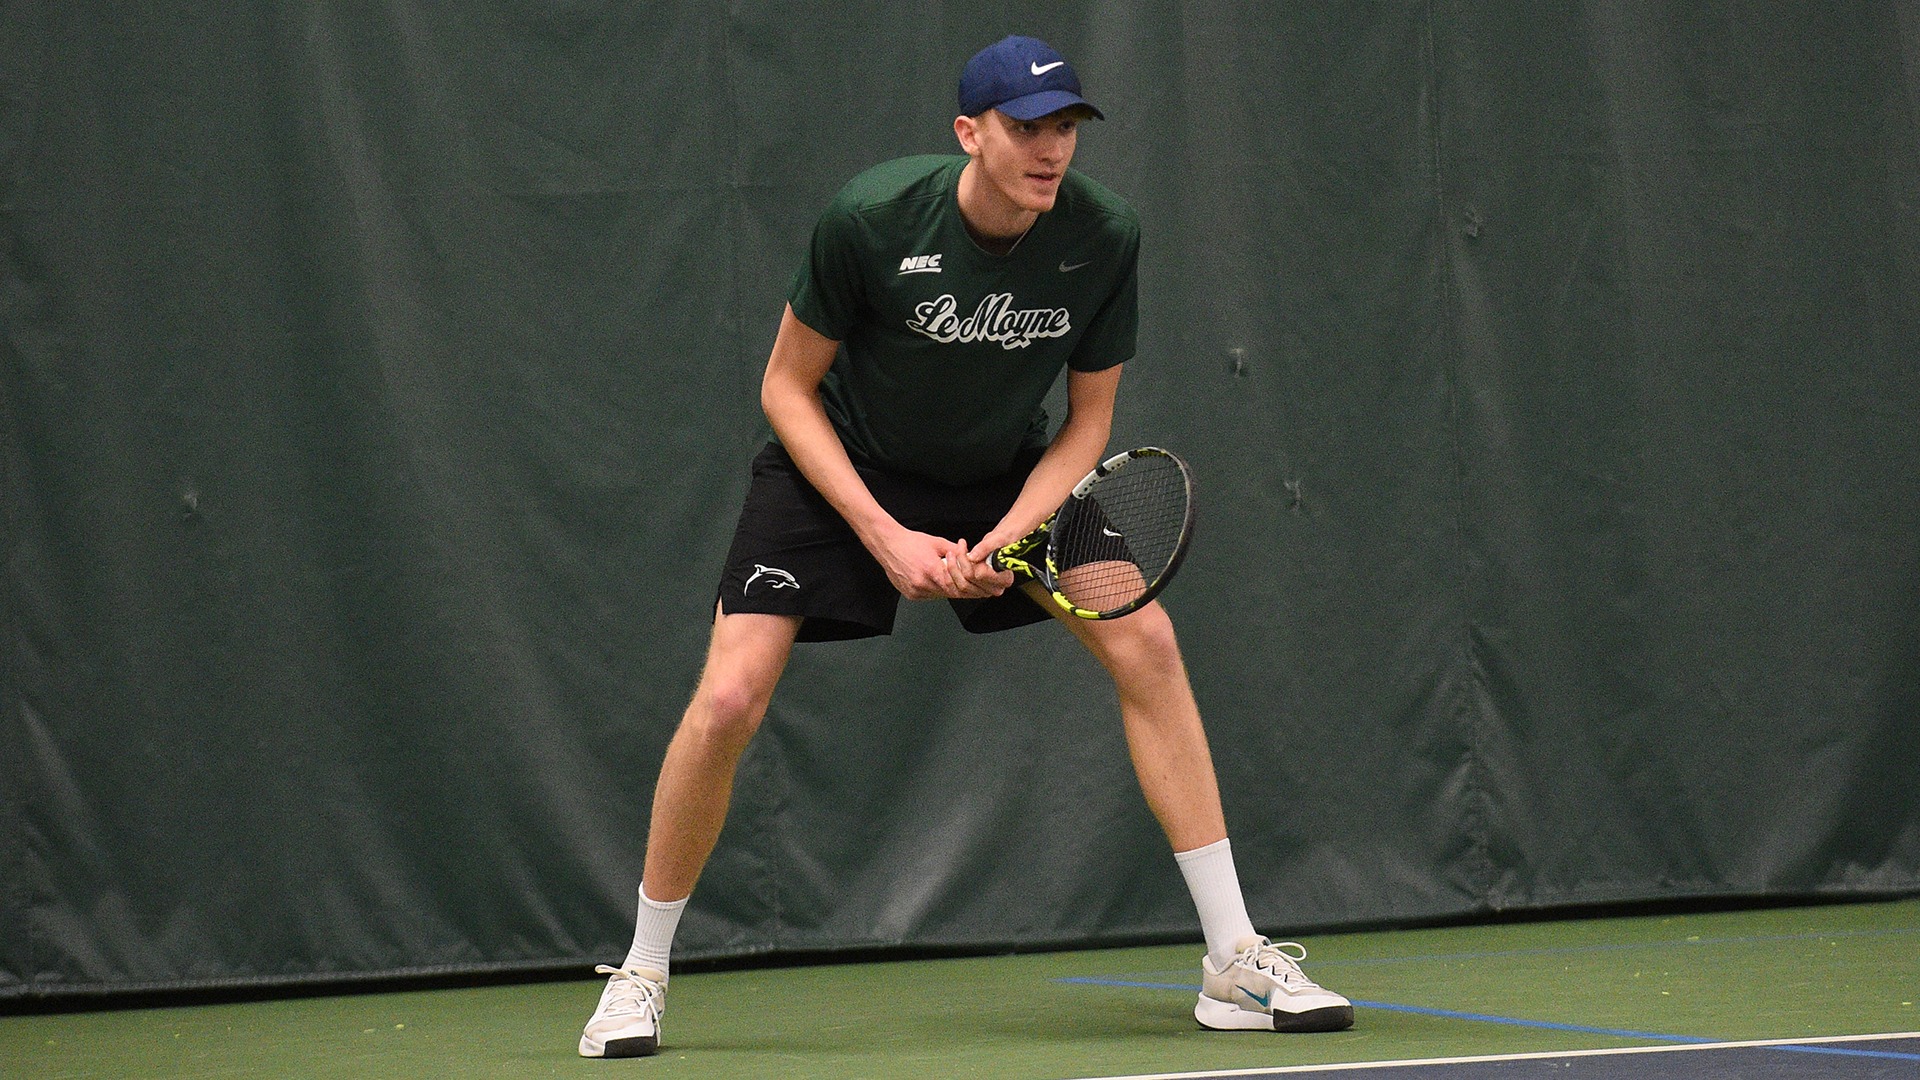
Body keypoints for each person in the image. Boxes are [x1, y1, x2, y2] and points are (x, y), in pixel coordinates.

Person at [579, 34, 1353, 1059]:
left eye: (1066, 127)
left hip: (1006, 471)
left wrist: (1009, 531)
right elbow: (783, 386)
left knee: (1149, 642)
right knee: (728, 698)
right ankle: (640, 972)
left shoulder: (1103, 234)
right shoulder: (871, 219)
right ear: (968, 134)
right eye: (1026, 128)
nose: (1051, 150)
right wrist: (886, 535)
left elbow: (1086, 426)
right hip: (845, 465)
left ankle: (1234, 958)